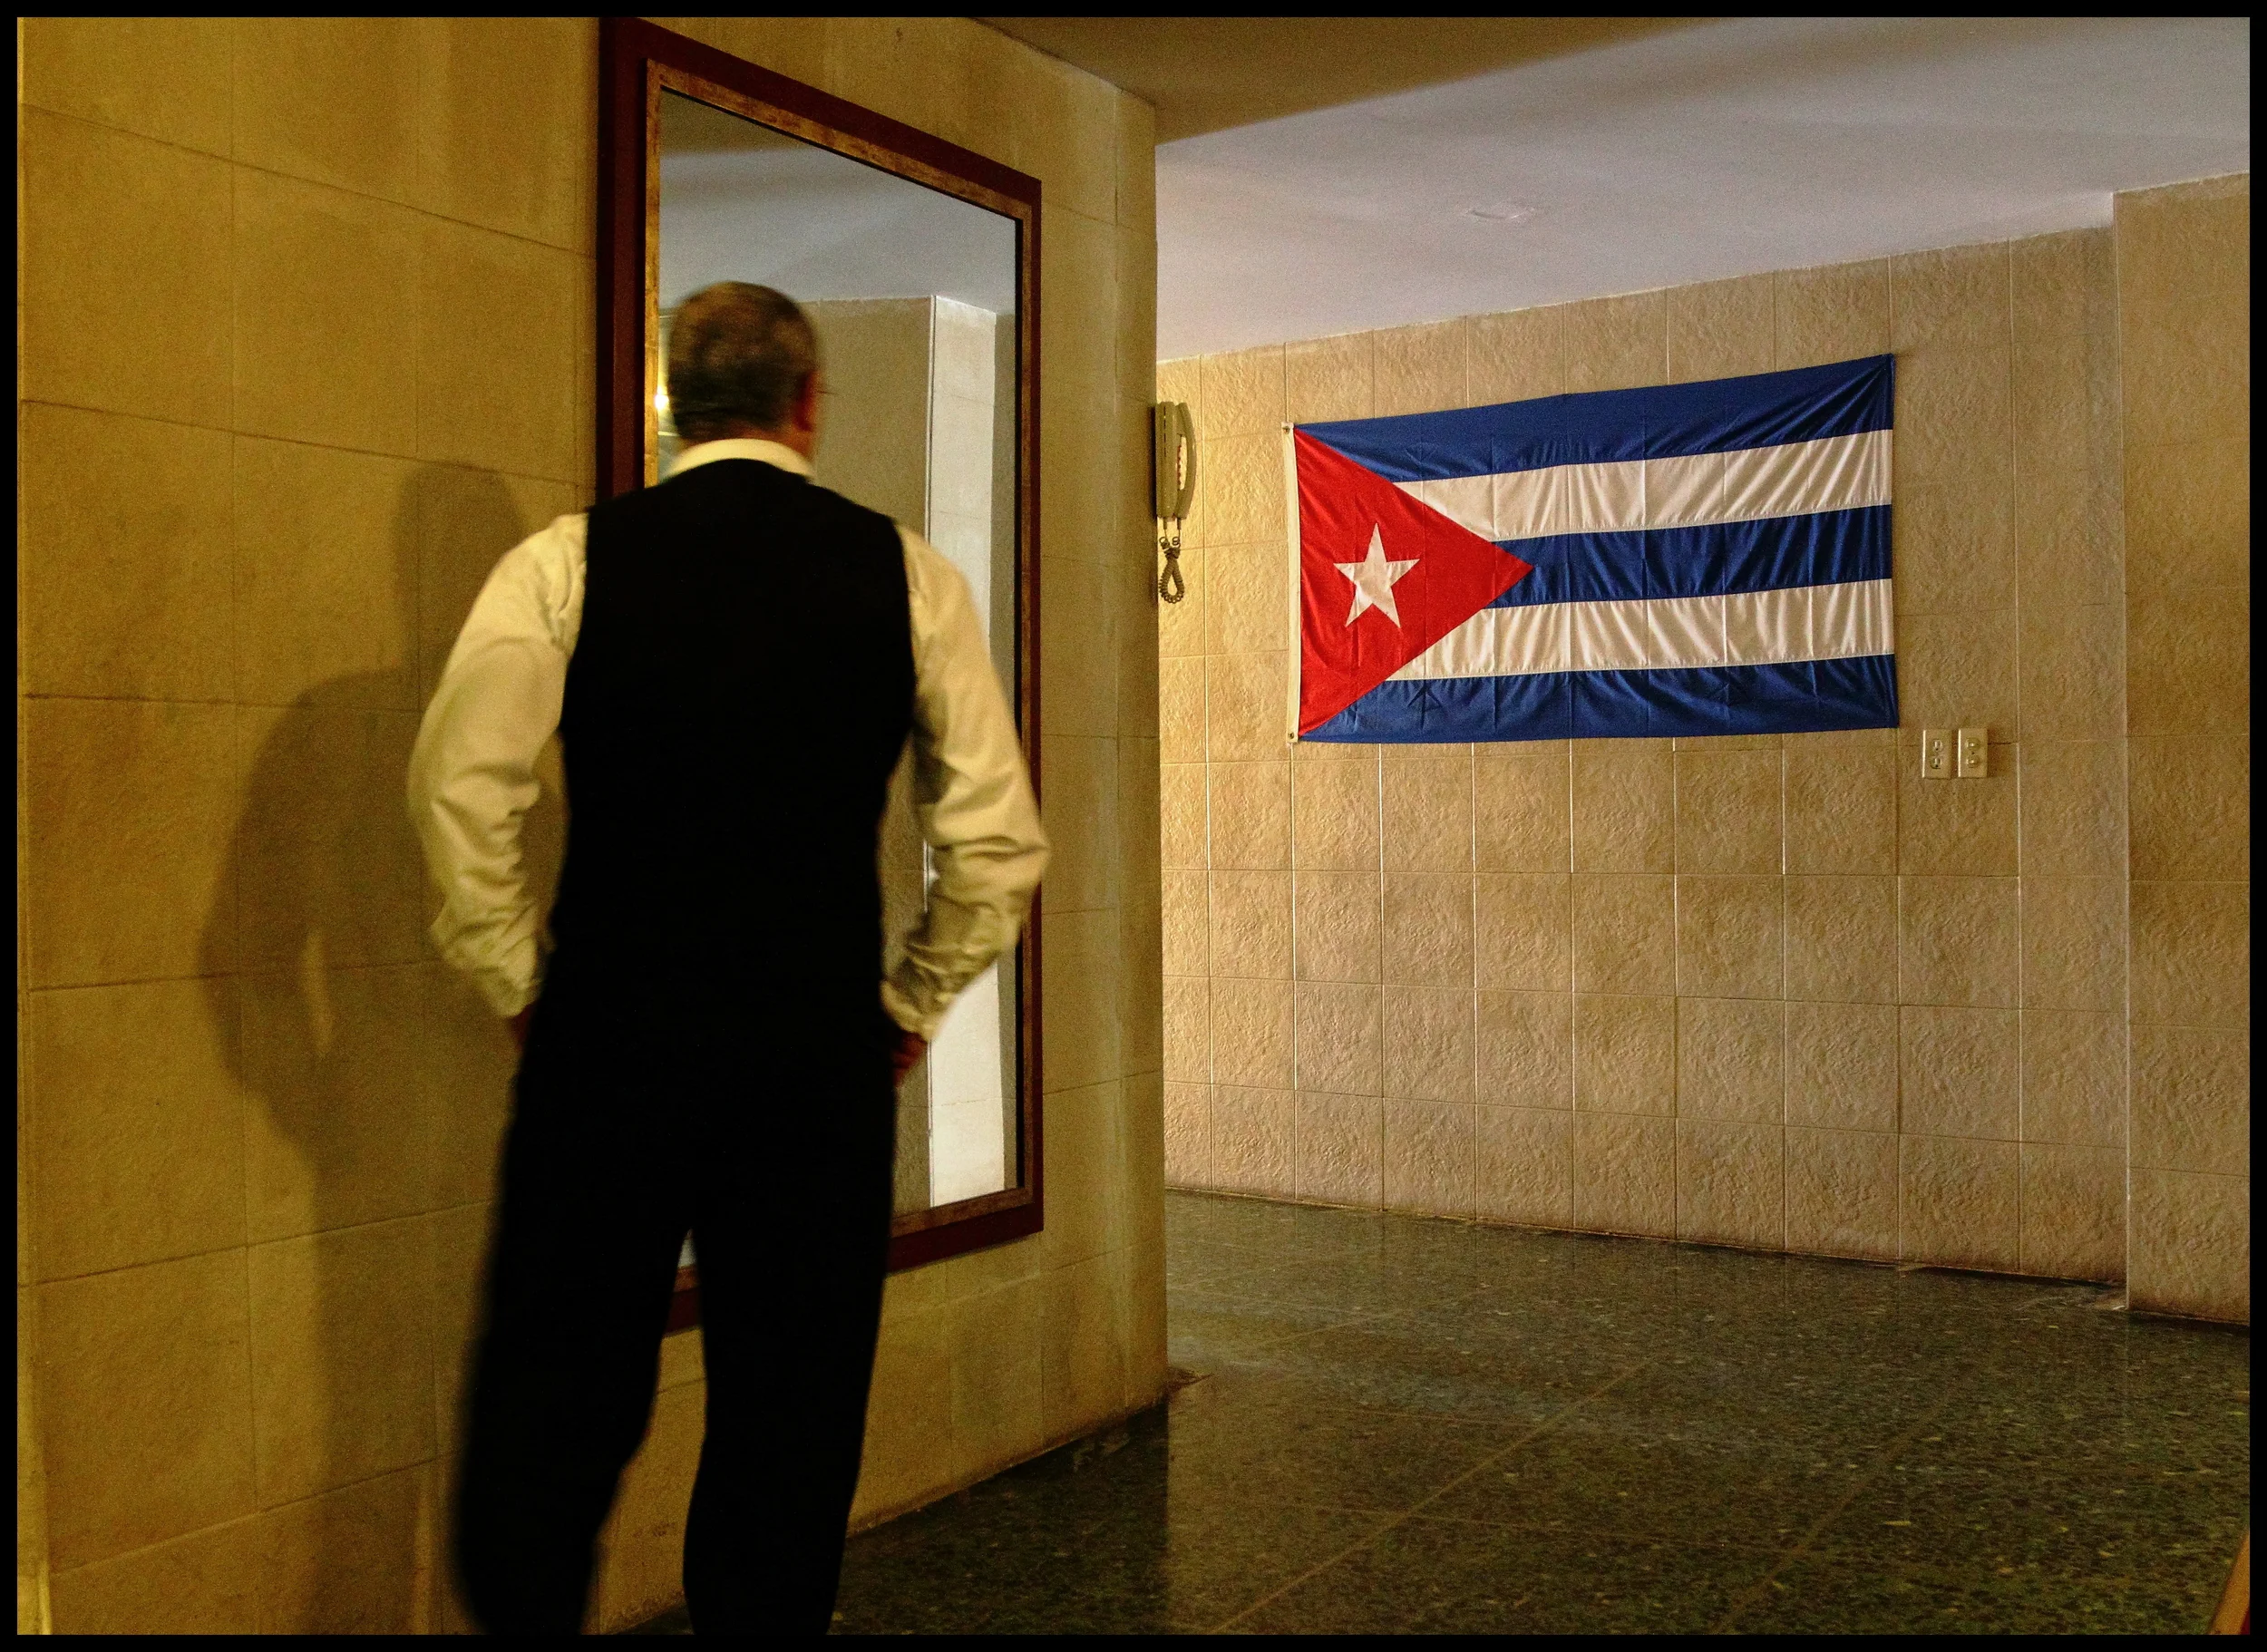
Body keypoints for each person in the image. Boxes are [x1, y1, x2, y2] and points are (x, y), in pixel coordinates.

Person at [407, 281, 1047, 1634]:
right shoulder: (907, 576)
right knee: (789, 1426)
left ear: (674, 407)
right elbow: (995, 846)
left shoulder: (567, 563)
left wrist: (520, 984)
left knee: (551, 1411)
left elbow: (461, 791)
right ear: (809, 403)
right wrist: (909, 1004)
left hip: (607, 1049)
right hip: (812, 1063)